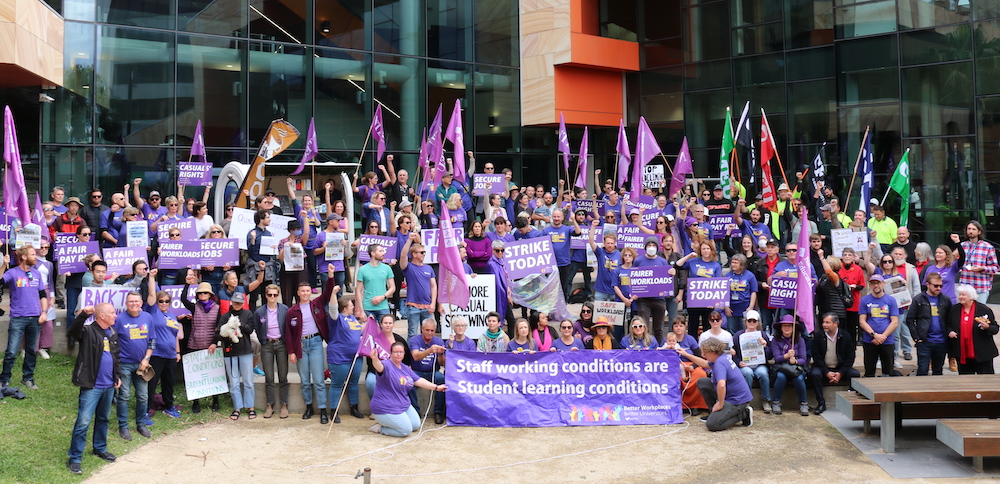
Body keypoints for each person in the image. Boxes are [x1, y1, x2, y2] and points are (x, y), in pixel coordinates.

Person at [66, 303, 121, 475]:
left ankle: (100, 448)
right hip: (92, 386)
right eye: (112, 313)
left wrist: (117, 376)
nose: (115, 315)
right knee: (83, 421)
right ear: (102, 316)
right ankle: (75, 458)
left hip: (109, 385)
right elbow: (73, 331)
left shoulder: (112, 333)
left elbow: (116, 356)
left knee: (103, 418)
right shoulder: (88, 331)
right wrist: (83, 314)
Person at [286, 272, 339, 424]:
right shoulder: (292, 311)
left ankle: (322, 409)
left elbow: (328, 292)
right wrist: (291, 352)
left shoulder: (317, 304)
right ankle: (309, 407)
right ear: (298, 293)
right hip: (301, 345)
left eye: (307, 291)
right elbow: (288, 333)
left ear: (311, 292)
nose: (305, 293)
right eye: (302, 291)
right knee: (304, 380)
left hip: (315, 343)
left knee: (318, 380)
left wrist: (330, 276)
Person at [368, 342, 447, 437]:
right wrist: (375, 359)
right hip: (385, 407)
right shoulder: (386, 364)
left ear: (404, 353)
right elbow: (379, 366)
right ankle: (380, 428)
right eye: (396, 352)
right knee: (406, 431)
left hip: (402, 404)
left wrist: (436, 387)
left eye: (401, 352)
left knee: (415, 425)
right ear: (390, 353)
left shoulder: (405, 368)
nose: (398, 354)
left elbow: (419, 380)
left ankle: (391, 423)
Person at [677, 337, 754, 431]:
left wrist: (720, 404)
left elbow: (721, 385)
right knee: (702, 382)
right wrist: (686, 354)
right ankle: (714, 413)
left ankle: (743, 414)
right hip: (731, 395)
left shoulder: (719, 363)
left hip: (737, 401)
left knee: (712, 425)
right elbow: (704, 363)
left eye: (705, 353)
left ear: (712, 352)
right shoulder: (721, 357)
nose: (703, 355)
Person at [113, 292, 155, 440]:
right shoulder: (119, 319)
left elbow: (152, 340)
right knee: (124, 396)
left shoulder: (147, 318)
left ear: (141, 303)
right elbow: (113, 341)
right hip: (124, 363)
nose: (134, 304)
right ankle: (123, 427)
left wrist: (146, 359)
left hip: (142, 364)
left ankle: (141, 424)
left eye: (137, 301)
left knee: (143, 396)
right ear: (126, 303)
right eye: (131, 301)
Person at [211, 291, 256, 420]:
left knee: (248, 381)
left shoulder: (248, 314)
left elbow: (250, 330)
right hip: (230, 352)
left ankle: (250, 407)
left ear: (243, 303)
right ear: (231, 302)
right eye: (235, 302)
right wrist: (227, 332)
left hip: (245, 350)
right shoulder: (225, 317)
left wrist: (239, 325)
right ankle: (237, 407)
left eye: (240, 303)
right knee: (234, 382)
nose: (237, 305)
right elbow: (219, 334)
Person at [180, 280, 221, 413]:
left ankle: (215, 400)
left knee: (213, 374)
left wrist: (214, 342)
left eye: (205, 293)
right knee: (196, 375)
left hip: (210, 345)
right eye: (200, 293)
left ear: (210, 294)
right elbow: (183, 299)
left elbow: (219, 327)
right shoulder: (194, 307)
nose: (203, 295)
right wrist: (187, 285)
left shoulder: (217, 308)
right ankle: (196, 402)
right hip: (195, 343)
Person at [145, 275, 183, 420]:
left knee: (169, 382)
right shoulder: (153, 312)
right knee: (152, 383)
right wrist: (151, 277)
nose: (164, 303)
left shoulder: (172, 315)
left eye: (167, 301)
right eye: (161, 301)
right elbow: (151, 294)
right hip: (156, 353)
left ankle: (169, 407)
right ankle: (146, 409)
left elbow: (175, 335)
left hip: (171, 354)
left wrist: (177, 352)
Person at [809, 313, 859, 414]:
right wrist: (826, 372)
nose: (824, 325)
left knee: (855, 374)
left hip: (839, 367)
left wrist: (841, 373)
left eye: (827, 322)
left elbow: (850, 358)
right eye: (823, 322)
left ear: (835, 324)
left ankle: (850, 402)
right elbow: (816, 357)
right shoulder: (818, 336)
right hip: (823, 367)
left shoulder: (846, 336)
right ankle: (821, 403)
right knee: (814, 374)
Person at [906, 273, 953, 376]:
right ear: (927, 284)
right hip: (925, 341)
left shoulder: (945, 300)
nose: (938, 288)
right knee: (922, 370)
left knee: (938, 370)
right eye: (936, 286)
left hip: (941, 341)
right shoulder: (919, 299)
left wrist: (948, 333)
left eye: (941, 286)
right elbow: (910, 319)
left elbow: (950, 319)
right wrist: (916, 337)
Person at [254, 284, 290, 419]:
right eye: (270, 295)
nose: (272, 297)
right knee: (269, 377)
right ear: (266, 296)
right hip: (267, 345)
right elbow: (257, 328)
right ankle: (270, 404)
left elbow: (288, 326)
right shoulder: (260, 312)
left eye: (275, 295)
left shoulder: (284, 309)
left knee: (283, 376)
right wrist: (263, 340)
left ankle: (284, 404)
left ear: (278, 295)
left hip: (281, 344)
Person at [948, 284, 999, 374]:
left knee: (985, 379)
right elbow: (948, 325)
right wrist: (950, 332)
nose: (960, 297)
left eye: (963, 295)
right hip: (962, 352)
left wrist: (988, 327)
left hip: (982, 353)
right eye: (960, 294)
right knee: (965, 379)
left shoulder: (983, 309)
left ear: (971, 296)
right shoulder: (955, 309)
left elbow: (995, 328)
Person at [664, 317, 709, 416]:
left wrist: (693, 366)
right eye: (676, 326)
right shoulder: (667, 339)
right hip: (673, 365)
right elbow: (661, 354)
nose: (678, 328)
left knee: (700, 374)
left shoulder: (690, 339)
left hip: (690, 364)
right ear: (672, 327)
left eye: (681, 326)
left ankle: (695, 405)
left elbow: (699, 356)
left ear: (685, 327)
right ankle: (678, 405)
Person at [677, 240, 723, 334]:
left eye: (707, 249)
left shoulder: (716, 265)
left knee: (707, 325)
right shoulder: (693, 262)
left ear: (711, 250)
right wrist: (689, 256)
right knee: (693, 325)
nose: (706, 251)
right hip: (694, 299)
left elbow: (717, 283)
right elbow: (678, 265)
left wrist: (713, 301)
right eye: (703, 249)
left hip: (708, 300)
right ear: (700, 250)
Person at [859, 274, 899, 377]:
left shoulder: (891, 300)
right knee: (869, 371)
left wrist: (883, 336)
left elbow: (894, 322)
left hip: (887, 340)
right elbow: (862, 321)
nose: (876, 285)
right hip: (870, 340)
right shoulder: (865, 300)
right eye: (873, 283)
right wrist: (874, 335)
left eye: (878, 283)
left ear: (883, 283)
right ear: (870, 285)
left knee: (888, 371)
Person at [732, 310, 772, 414]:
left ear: (758, 322)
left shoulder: (763, 335)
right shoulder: (738, 335)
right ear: (745, 321)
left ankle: (766, 400)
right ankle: (746, 401)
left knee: (763, 373)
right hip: (745, 364)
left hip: (760, 364)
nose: (752, 323)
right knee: (747, 373)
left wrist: (765, 346)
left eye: (754, 321)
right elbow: (733, 353)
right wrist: (738, 362)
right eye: (749, 320)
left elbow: (770, 355)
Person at [399, 234, 437, 341]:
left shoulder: (428, 268)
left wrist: (433, 303)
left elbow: (433, 286)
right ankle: (412, 351)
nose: (424, 254)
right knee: (412, 333)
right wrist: (409, 240)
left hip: (427, 306)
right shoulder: (408, 267)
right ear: (414, 254)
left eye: (424, 252)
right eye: (422, 252)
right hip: (413, 305)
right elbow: (403, 255)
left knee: (429, 333)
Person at [770, 315, 809, 416]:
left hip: (796, 368)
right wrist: (786, 356)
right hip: (781, 367)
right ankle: (776, 402)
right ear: (781, 327)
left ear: (793, 328)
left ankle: (803, 403)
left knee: (799, 378)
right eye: (784, 325)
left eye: (789, 326)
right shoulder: (775, 340)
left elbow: (803, 359)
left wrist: (795, 361)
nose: (787, 328)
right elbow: (776, 358)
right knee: (781, 377)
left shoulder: (800, 340)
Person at [410, 319, 447, 423]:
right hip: (417, 371)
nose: (430, 333)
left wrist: (440, 354)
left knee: (442, 379)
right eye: (427, 330)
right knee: (409, 381)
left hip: (433, 372)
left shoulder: (439, 341)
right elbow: (416, 357)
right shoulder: (414, 340)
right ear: (422, 329)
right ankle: (415, 411)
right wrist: (429, 350)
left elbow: (442, 364)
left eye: (432, 330)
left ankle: (438, 412)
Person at [541, 208, 582, 300]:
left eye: (558, 217)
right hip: (551, 264)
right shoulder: (545, 231)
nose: (556, 219)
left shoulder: (567, 229)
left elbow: (578, 233)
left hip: (564, 263)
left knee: (564, 288)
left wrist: (574, 220)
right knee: (551, 288)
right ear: (551, 217)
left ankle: (563, 306)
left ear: (563, 218)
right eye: (555, 217)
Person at [959, 220, 998, 304]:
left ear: (979, 232)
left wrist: (982, 268)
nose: (971, 231)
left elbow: (995, 267)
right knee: (965, 311)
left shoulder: (988, 247)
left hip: (981, 287)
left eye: (973, 229)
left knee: (979, 311)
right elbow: (956, 264)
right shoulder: (962, 246)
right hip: (965, 286)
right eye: (969, 229)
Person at [354, 243, 395, 321]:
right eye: (380, 251)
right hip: (368, 308)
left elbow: (392, 287)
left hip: (383, 306)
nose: (383, 253)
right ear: (373, 253)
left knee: (385, 328)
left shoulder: (387, 268)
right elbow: (358, 291)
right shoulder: (362, 269)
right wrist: (361, 311)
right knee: (369, 329)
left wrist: (382, 297)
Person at [277, 219, 309, 307]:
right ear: (291, 230)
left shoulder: (300, 239)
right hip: (287, 269)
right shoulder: (283, 241)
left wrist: (305, 218)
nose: (299, 230)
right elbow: (281, 258)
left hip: (300, 268)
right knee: (287, 293)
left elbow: (306, 233)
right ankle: (287, 311)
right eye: (297, 229)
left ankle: (302, 310)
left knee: (301, 290)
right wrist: (286, 247)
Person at [838, 248, 866, 344]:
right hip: (840, 303)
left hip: (853, 303)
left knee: (852, 328)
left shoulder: (858, 269)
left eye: (849, 255)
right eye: (845, 255)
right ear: (842, 256)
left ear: (854, 257)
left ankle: (852, 347)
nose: (847, 257)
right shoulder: (838, 268)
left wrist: (855, 286)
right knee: (841, 327)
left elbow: (862, 285)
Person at [589, 219, 621, 302]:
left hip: (614, 290)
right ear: (604, 244)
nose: (610, 245)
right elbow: (591, 241)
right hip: (601, 290)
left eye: (612, 243)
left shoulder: (620, 255)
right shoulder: (600, 252)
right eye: (608, 243)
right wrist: (593, 227)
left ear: (615, 244)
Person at [726, 254, 758, 334]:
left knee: (745, 330)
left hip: (745, 307)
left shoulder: (750, 275)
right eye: (732, 262)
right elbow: (724, 292)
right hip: (732, 308)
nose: (733, 265)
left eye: (736, 263)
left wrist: (751, 307)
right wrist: (726, 307)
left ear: (742, 264)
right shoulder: (727, 275)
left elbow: (753, 292)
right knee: (732, 330)